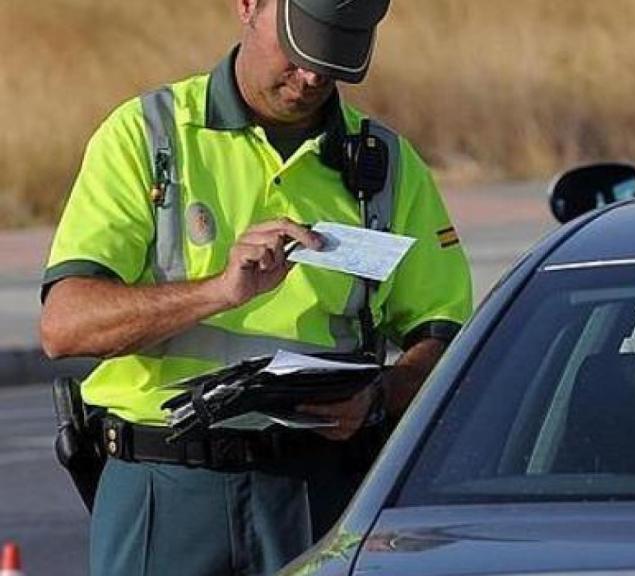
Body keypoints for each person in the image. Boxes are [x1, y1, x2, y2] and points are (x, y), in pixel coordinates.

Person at [39, 0, 472, 573]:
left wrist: (379, 399)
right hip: (163, 487)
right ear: (247, 6)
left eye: (336, 55)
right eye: (300, 47)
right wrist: (218, 291)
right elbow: (64, 326)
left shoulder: (386, 165)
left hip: (318, 489)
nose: (314, 75)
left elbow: (451, 341)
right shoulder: (149, 136)